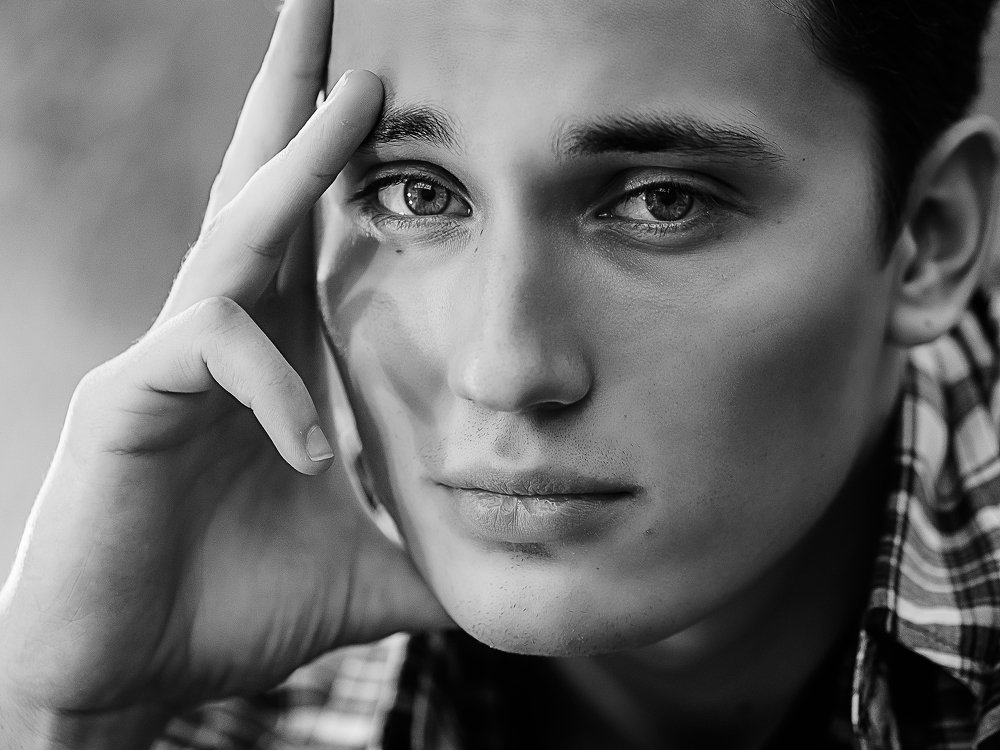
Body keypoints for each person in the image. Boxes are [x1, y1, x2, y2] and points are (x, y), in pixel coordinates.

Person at [3, 0, 1000, 747]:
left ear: (930, 237)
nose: (504, 369)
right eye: (415, 193)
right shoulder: (225, 660)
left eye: (660, 202)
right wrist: (74, 722)